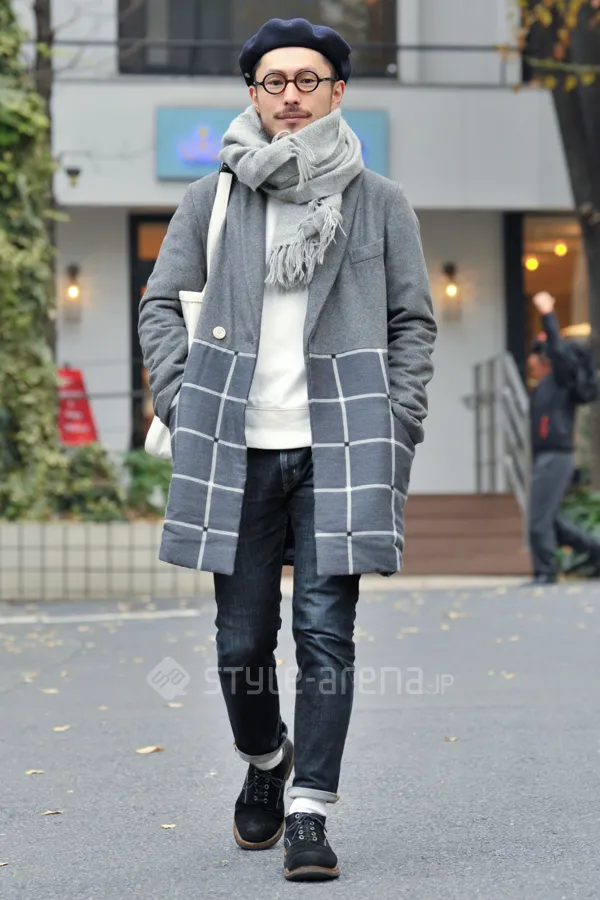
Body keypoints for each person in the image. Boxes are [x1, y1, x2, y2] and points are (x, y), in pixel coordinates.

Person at [138, 17, 436, 881]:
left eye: (309, 80)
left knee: (325, 634)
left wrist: (397, 419)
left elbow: (413, 323)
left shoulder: (380, 201)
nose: (292, 96)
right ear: (254, 94)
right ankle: (266, 760)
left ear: (338, 92)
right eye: (275, 81)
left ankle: (310, 809)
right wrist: (182, 398)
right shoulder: (214, 199)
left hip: (341, 441)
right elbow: (160, 305)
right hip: (236, 445)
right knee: (240, 641)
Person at [526, 290, 600, 585]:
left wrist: (548, 314)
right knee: (551, 521)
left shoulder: (560, 380)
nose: (529, 360)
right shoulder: (543, 387)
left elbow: (557, 350)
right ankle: (596, 552)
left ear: (542, 358)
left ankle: (545, 573)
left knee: (539, 521)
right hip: (547, 458)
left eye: (534, 354)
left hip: (556, 456)